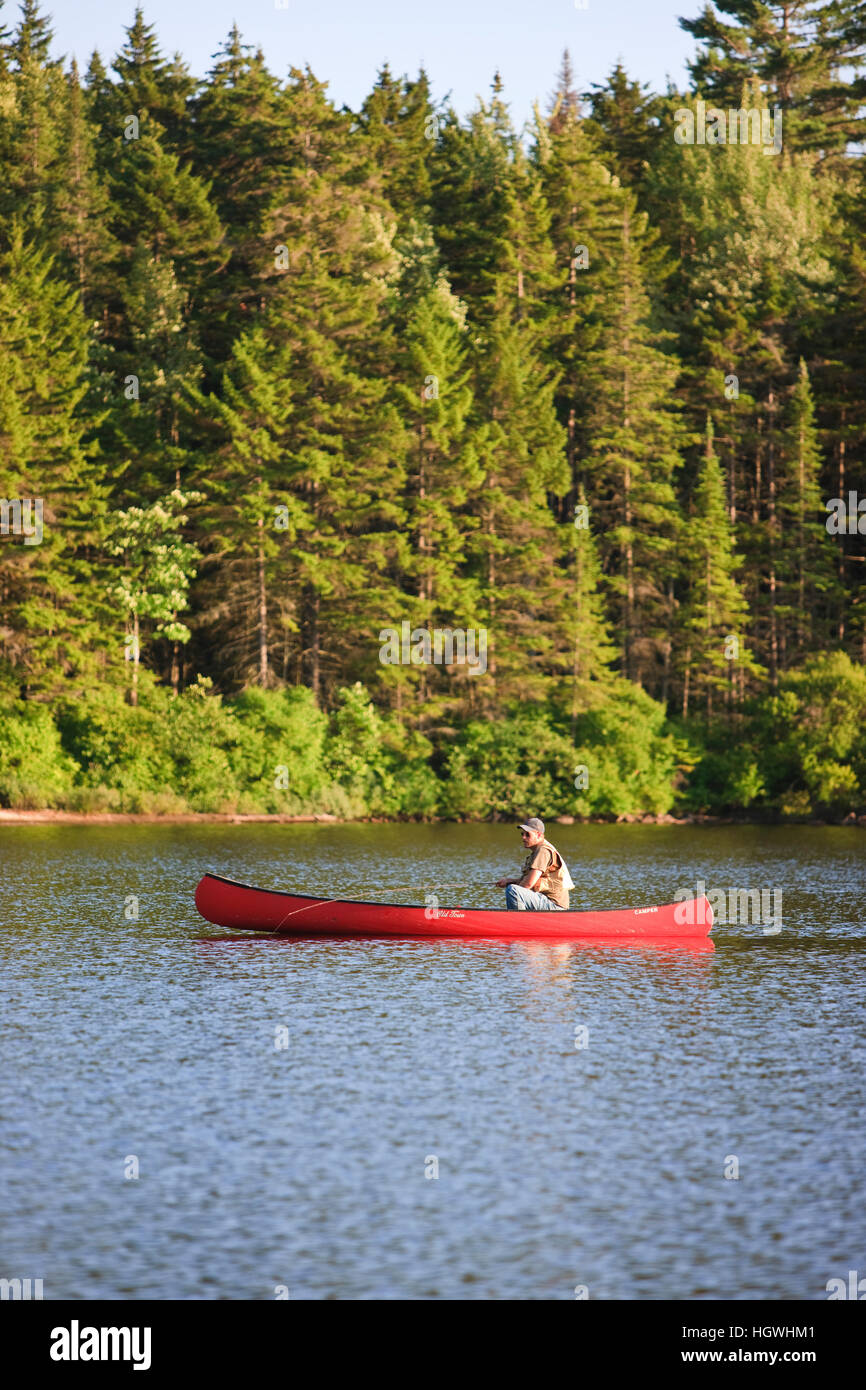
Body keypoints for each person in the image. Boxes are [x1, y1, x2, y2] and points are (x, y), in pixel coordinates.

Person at [496, 817, 572, 911]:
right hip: (546, 902)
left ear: (539, 835)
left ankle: (518, 922)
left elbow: (528, 884)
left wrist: (513, 887)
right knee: (513, 888)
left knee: (513, 891)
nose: (523, 837)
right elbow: (529, 881)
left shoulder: (543, 851)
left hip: (554, 906)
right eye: (522, 834)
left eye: (527, 834)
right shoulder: (537, 851)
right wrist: (509, 881)